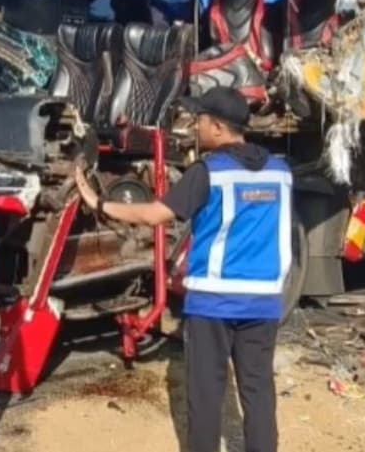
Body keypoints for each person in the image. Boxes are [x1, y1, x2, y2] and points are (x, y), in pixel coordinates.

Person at [74, 86, 291, 452]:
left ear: (219, 128)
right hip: (264, 301)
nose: (195, 126)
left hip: (214, 302)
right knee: (258, 393)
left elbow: (152, 214)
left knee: (206, 395)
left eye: (201, 120)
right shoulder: (280, 171)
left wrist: (100, 203)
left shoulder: (208, 172)